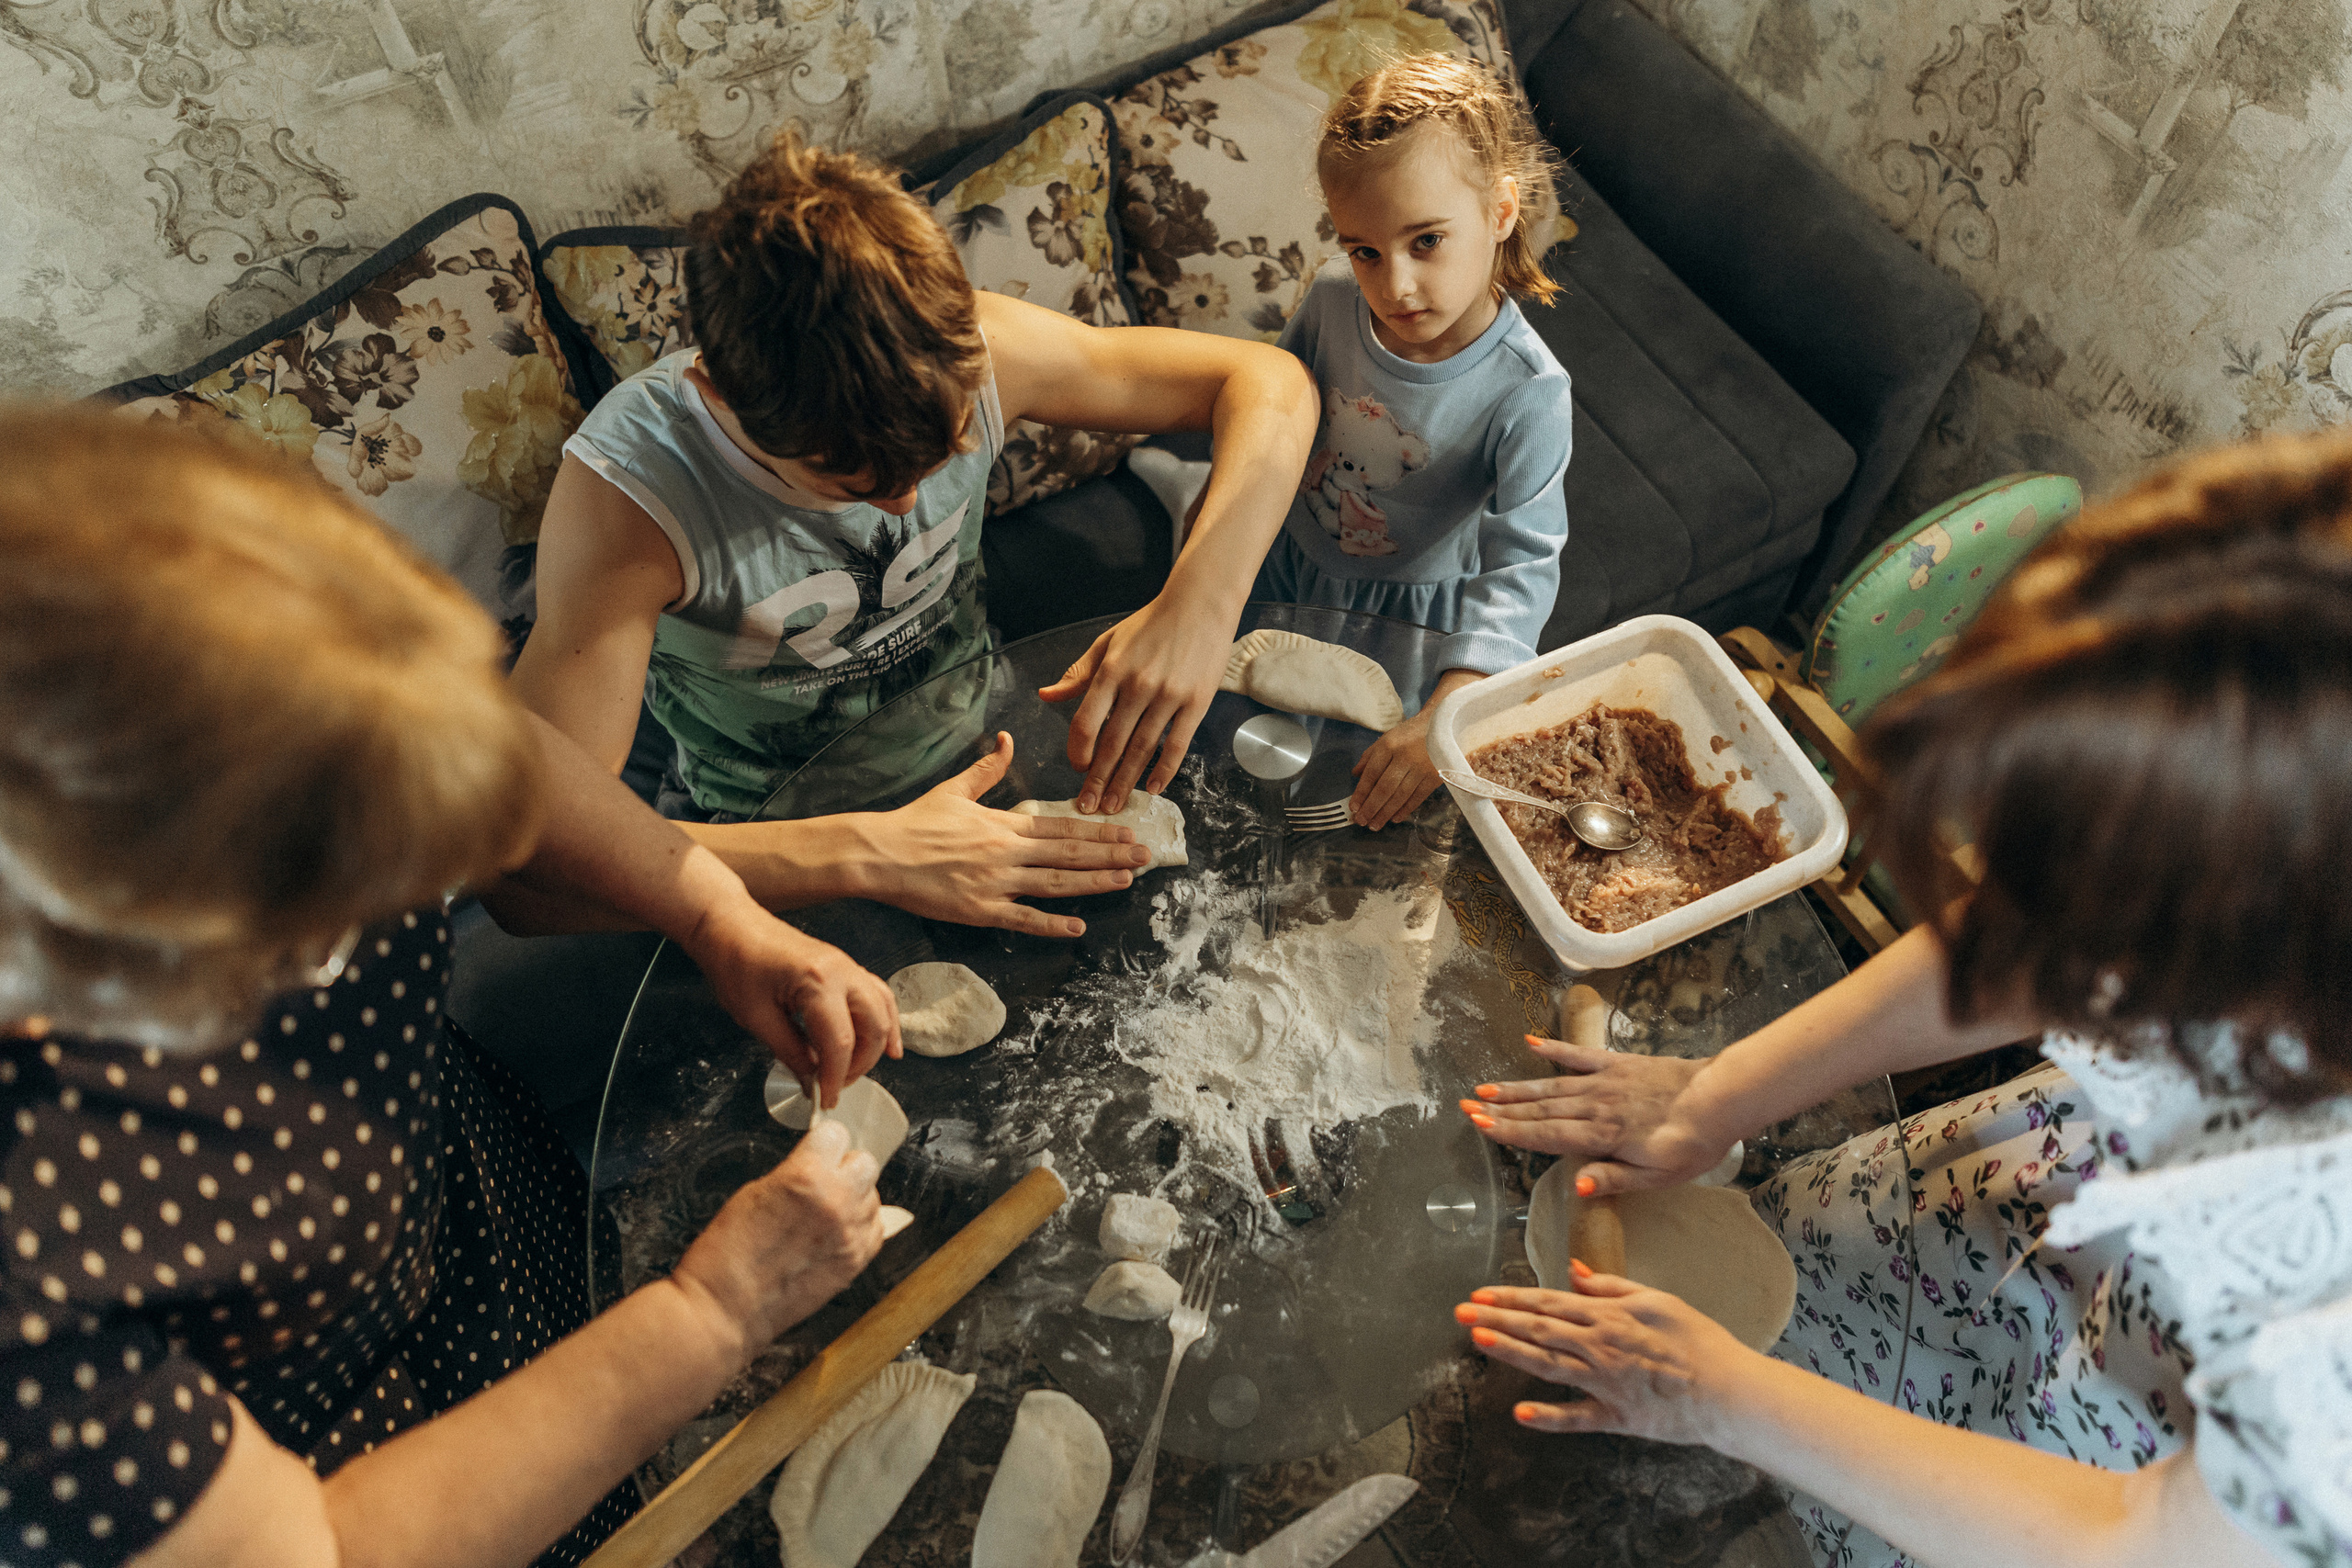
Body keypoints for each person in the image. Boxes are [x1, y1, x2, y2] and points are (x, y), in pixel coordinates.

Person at [0, 406, 907, 1566]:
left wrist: (708, 908)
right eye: (311, 942)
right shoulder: (29, 1301)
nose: (354, 955)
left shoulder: (160, 618)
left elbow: (477, 748)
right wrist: (710, 1314)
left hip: (451, 1208)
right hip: (334, 1461)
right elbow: (317, 1550)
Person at [1452, 427, 2352, 1567]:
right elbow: (2045, 930)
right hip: (2008, 1197)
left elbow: (2144, 1542)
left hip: (2102, 1489)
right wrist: (1718, 1099)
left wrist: (1717, 1396)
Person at [514, 134, 1317, 910]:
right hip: (773, 845)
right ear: (720, 395)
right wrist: (874, 854)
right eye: (849, 481)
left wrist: (1199, 607)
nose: (902, 507)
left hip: (988, 752)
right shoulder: (630, 498)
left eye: (944, 452)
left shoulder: (986, 346)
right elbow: (528, 864)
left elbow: (1268, 381)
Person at [1261, 54, 1574, 831]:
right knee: (1252, 748)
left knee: (1352, 789)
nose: (1393, 284)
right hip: (1290, 553)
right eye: (1364, 249)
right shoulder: (1333, 301)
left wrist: (1447, 717)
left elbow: (1523, 567)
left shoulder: (1529, 390)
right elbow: (1275, 412)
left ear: (1501, 211)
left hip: (1411, 607)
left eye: (1426, 241)